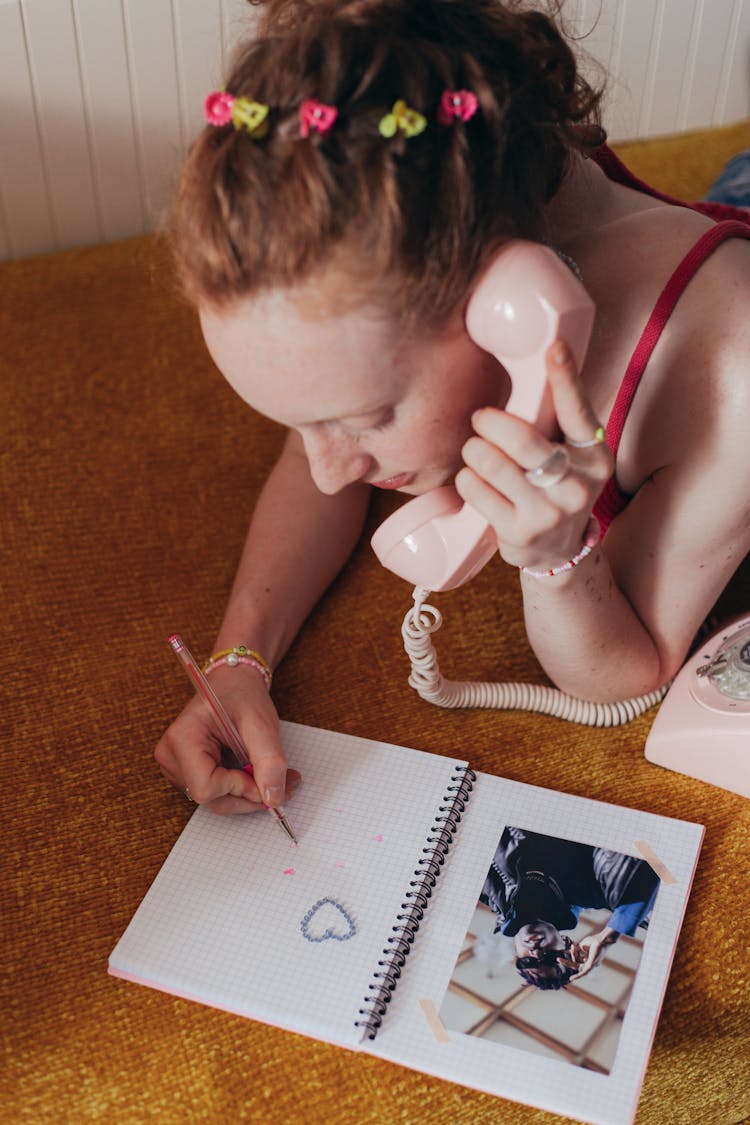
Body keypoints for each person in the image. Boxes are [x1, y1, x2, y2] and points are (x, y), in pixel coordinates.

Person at [155, 0, 750, 816]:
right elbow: (321, 446)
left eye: (362, 420)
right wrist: (237, 662)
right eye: (305, 423)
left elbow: (624, 674)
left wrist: (554, 556)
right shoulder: (448, 166)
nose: (330, 472)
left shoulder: (727, 372)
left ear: (511, 306)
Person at [480, 826, 659, 990]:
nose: (536, 952)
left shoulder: (486, 892)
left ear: (518, 956)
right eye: (550, 957)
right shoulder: (594, 891)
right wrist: (608, 937)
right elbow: (650, 855)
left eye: (528, 961)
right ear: (566, 942)